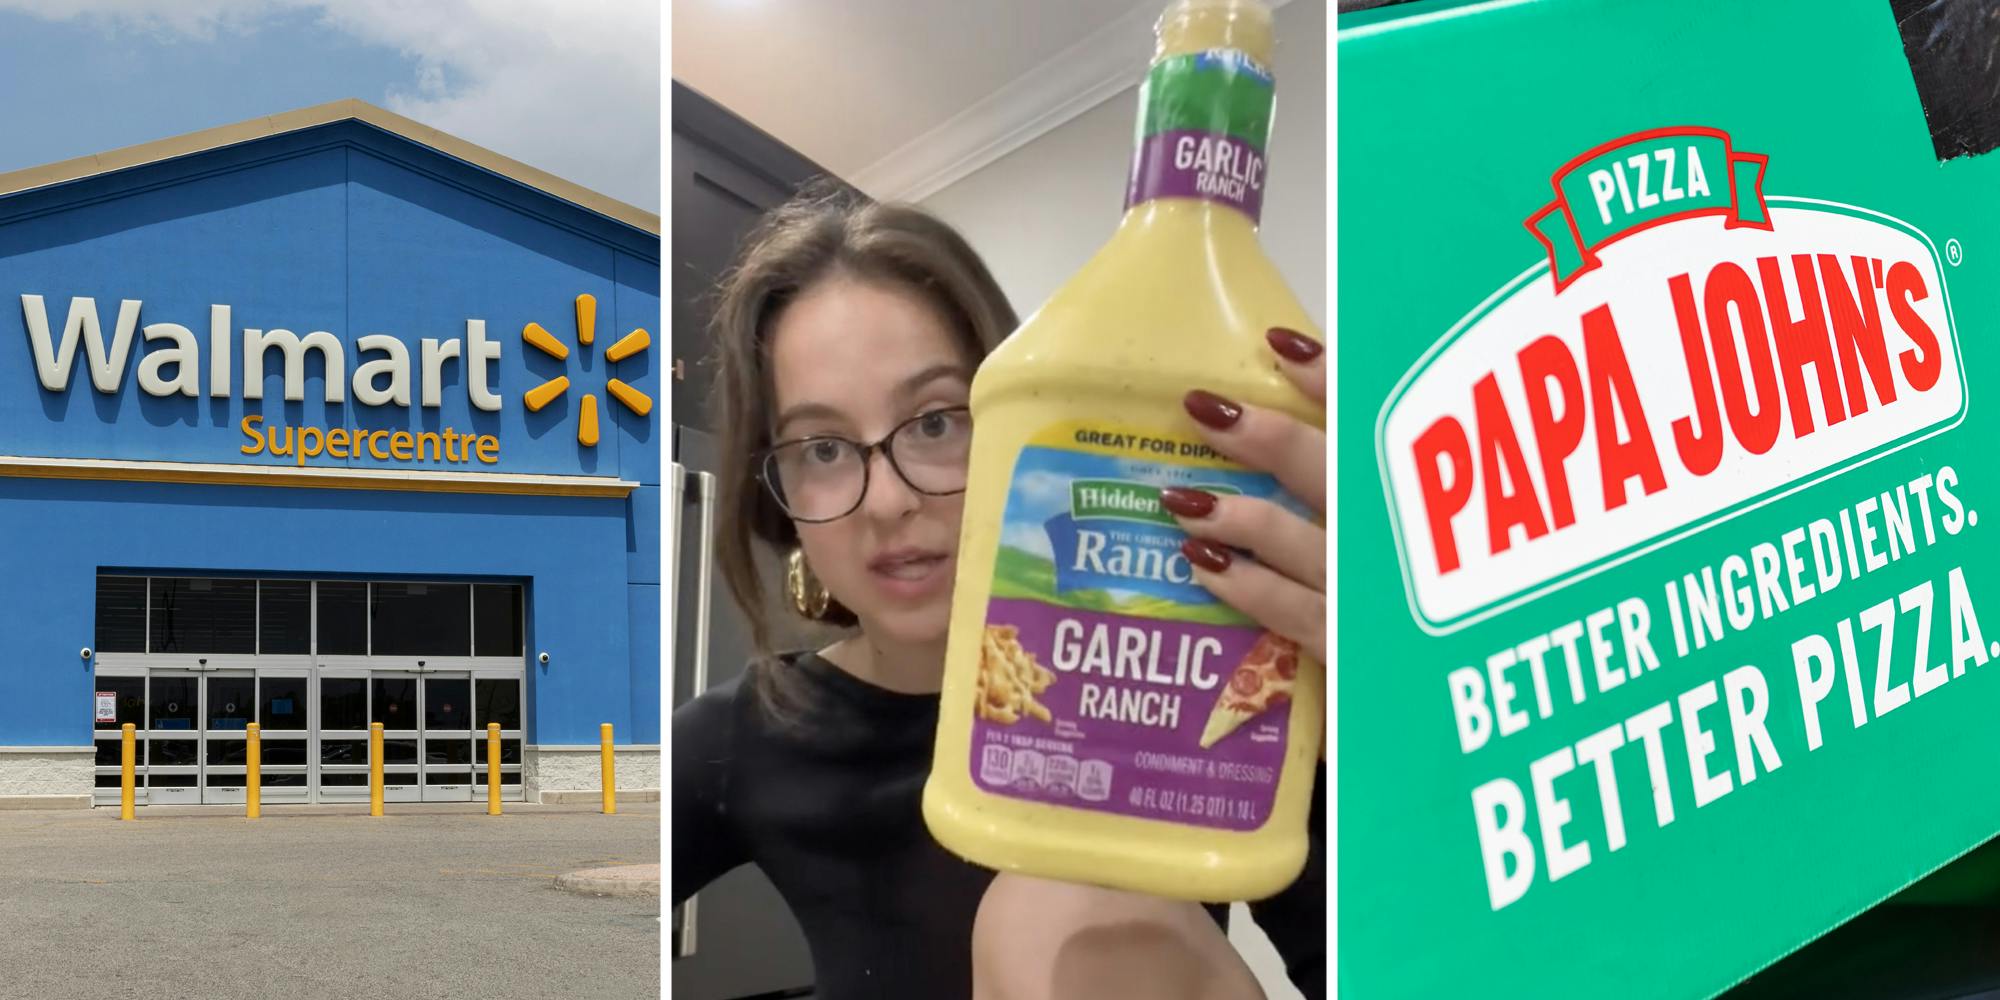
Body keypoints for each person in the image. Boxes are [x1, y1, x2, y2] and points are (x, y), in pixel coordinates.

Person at [672, 181, 1326, 1000]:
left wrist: (1399, 733)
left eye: (937, 422)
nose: (888, 501)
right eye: (822, 449)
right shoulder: (743, 734)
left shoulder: (1194, 680)